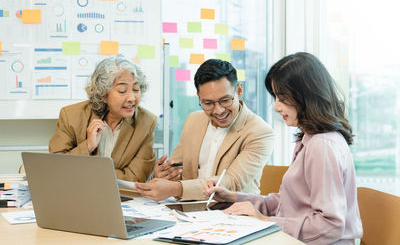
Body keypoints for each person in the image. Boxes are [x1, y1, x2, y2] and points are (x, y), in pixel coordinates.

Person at [204, 52, 363, 245]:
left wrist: (265, 221)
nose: (276, 107)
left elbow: (330, 226)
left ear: (305, 96)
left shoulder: (322, 145)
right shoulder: (310, 138)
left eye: (281, 97)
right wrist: (235, 198)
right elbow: (289, 204)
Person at [135, 59, 274, 201]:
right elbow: (176, 171)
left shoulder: (260, 132)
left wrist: (174, 188)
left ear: (239, 90)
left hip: (234, 213)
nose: (219, 110)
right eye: (208, 103)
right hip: (189, 211)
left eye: (225, 100)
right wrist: (162, 175)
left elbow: (231, 183)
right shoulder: (193, 120)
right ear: (199, 98)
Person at [48, 57, 157, 182]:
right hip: (75, 192)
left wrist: (84, 171)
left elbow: (135, 178)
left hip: (120, 197)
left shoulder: (146, 123)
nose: (132, 98)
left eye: (136, 90)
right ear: (103, 94)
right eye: (122, 91)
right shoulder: (71, 116)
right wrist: (88, 146)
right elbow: (56, 166)